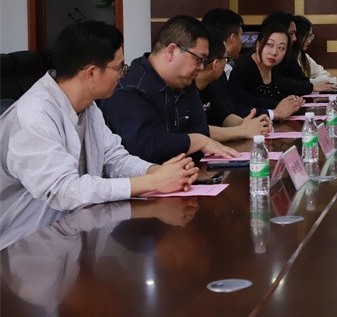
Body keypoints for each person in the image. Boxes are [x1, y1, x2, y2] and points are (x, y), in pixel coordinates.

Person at [0, 21, 199, 236]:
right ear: (92, 72)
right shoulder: (33, 116)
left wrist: (156, 171)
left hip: (75, 231)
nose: (123, 74)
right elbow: (64, 190)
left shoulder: (88, 107)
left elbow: (114, 158)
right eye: (119, 67)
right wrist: (151, 182)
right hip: (25, 243)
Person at [101, 16, 238, 164]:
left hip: (184, 171)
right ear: (172, 51)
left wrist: (192, 142)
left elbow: (201, 131)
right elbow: (147, 146)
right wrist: (196, 142)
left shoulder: (185, 83)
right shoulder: (130, 88)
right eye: (199, 59)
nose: (201, 67)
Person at [202, 7, 304, 120]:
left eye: (281, 48)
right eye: (241, 36)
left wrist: (285, 105)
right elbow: (230, 111)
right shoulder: (218, 70)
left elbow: (242, 99)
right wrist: (274, 113)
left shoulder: (226, 67)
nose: (274, 52)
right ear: (233, 39)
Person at [195, 27, 272, 141]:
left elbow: (224, 116)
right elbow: (195, 130)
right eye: (226, 58)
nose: (227, 63)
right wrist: (242, 130)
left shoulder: (208, 86)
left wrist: (248, 123)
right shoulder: (184, 89)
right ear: (215, 63)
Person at [229, 23, 306, 113]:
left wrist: (292, 101)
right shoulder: (243, 67)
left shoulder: (275, 67)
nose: (274, 52)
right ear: (258, 44)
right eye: (269, 44)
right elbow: (244, 102)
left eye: (281, 48)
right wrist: (281, 105)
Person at [260, 11, 315, 96]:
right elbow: (274, 81)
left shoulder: (289, 55)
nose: (295, 38)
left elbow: (303, 81)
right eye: (291, 34)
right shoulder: (254, 60)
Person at [294, 15, 337, 89]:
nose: (309, 41)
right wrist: (333, 81)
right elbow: (298, 83)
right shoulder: (287, 58)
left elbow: (324, 74)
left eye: (310, 36)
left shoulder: (303, 56)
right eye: (306, 36)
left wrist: (316, 81)